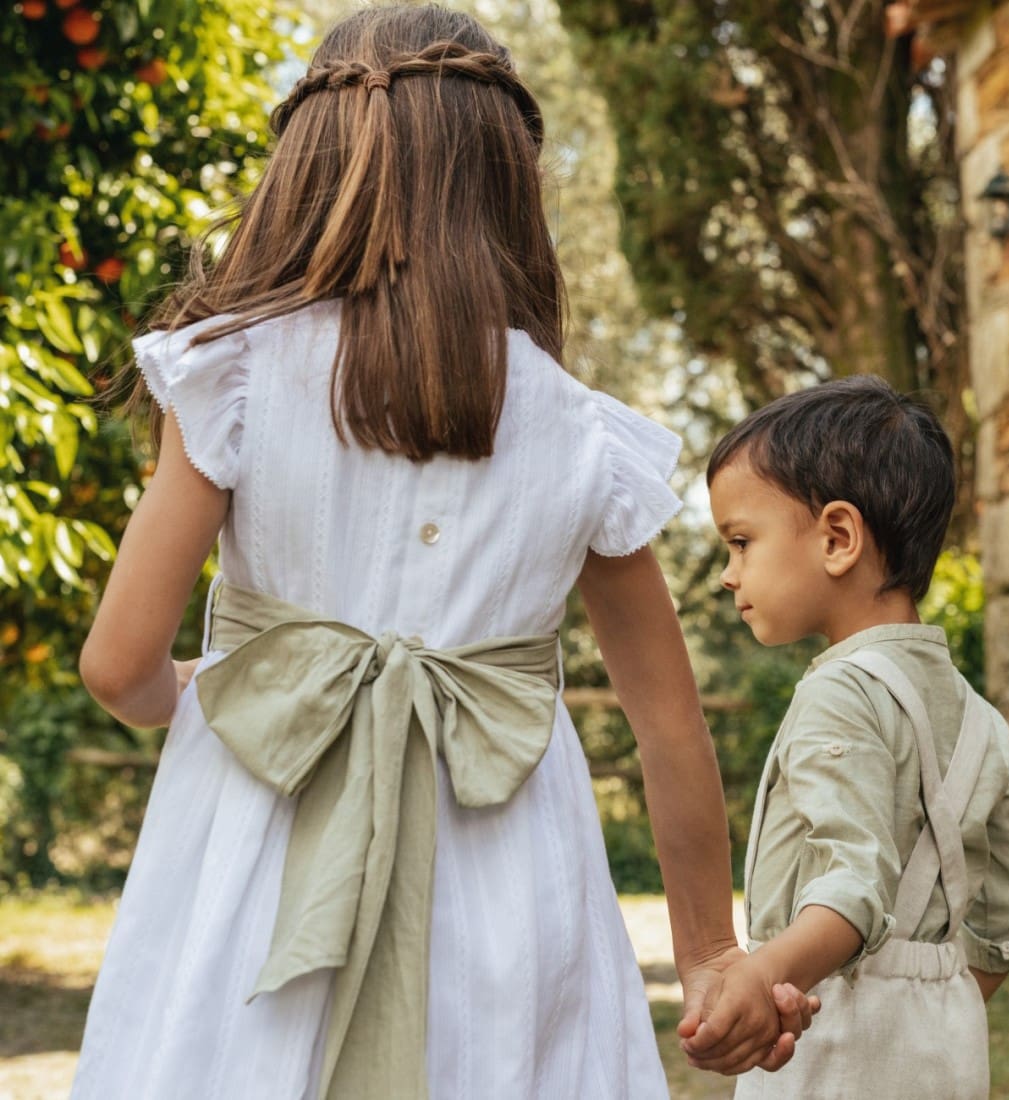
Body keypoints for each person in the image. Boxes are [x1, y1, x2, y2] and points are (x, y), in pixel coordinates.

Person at [70, 6, 813, 1098]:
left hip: (255, 852)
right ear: (509, 187)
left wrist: (229, 683)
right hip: (504, 877)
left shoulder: (228, 375)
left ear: (309, 165)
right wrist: (707, 948)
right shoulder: (579, 431)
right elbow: (666, 723)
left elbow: (117, 666)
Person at [680, 374, 1009, 1096]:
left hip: (830, 1036)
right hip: (947, 1047)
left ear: (838, 538)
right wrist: (933, 1002)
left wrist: (763, 976)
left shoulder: (839, 691)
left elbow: (853, 878)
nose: (730, 576)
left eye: (740, 541)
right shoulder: (977, 715)